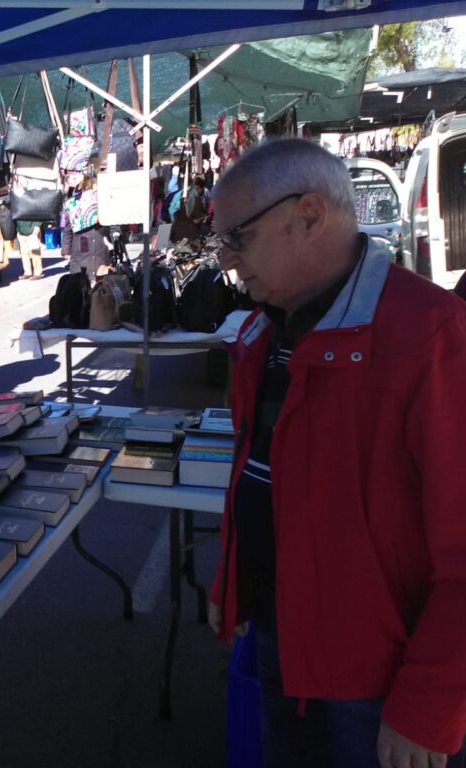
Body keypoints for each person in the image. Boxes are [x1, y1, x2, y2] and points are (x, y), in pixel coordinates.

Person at [208, 138, 466, 768]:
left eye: (238, 238)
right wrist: (233, 579)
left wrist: (431, 702)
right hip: (285, 641)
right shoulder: (266, 330)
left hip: (382, 676)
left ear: (311, 215)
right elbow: (262, 475)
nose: (228, 263)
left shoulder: (432, 335)